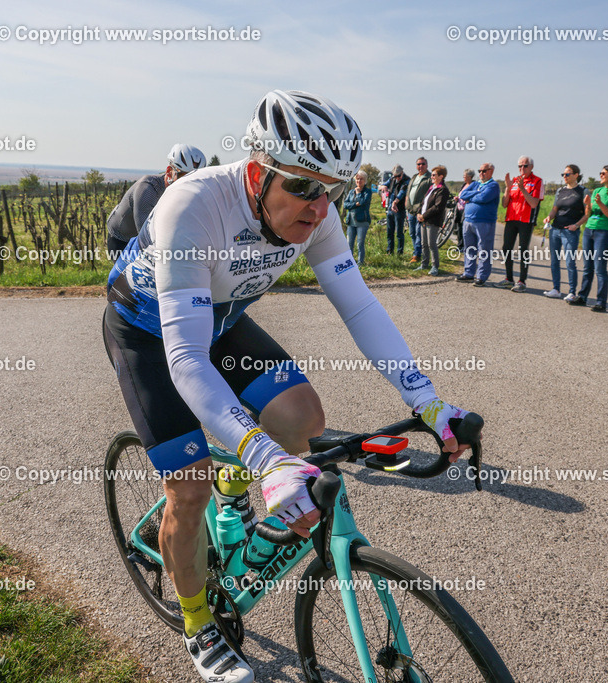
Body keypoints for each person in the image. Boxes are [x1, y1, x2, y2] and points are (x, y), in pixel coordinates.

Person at [102, 89, 479, 683]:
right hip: (152, 335)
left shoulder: (319, 216)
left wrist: (427, 400)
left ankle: (240, 479)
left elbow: (360, 308)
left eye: (334, 189)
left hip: (224, 321)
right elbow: (185, 356)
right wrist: (263, 457)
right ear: (257, 171)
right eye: (303, 186)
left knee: (303, 421)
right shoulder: (193, 205)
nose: (318, 205)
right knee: (191, 488)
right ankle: (199, 623)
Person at [106, 143, 207, 255]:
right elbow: (146, 236)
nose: (187, 185)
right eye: (183, 178)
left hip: (142, 238)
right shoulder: (148, 189)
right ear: (169, 172)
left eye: (194, 180)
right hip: (121, 239)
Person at [569, 165, 608, 312]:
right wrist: (587, 205)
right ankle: (582, 297)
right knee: (587, 266)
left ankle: (601, 302)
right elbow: (589, 213)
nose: (600, 175)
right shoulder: (597, 191)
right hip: (589, 230)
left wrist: (599, 203)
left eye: (603, 173)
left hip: (604, 232)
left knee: (600, 268)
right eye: (600, 172)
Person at [497, 156, 543, 293]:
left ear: (531, 167)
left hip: (526, 220)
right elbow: (504, 204)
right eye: (519, 166)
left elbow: (534, 203)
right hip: (511, 218)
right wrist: (507, 188)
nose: (522, 168)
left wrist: (523, 189)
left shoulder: (537, 181)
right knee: (506, 248)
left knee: (523, 249)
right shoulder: (515, 180)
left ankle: (522, 281)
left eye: (525, 166)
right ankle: (509, 279)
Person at [542, 165, 588, 300]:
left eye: (567, 174)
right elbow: (555, 209)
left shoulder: (583, 191)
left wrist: (576, 225)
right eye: (563, 174)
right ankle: (556, 289)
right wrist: (549, 217)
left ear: (576, 175)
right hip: (555, 229)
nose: (564, 177)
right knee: (554, 261)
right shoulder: (560, 191)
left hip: (571, 231)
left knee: (569, 262)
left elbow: (587, 213)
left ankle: (572, 292)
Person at [456, 163, 500, 286]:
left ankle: (481, 276)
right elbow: (463, 195)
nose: (481, 173)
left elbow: (483, 198)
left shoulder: (493, 185)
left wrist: (472, 196)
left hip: (484, 221)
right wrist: (475, 193)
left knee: (484, 249)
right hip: (468, 220)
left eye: (484, 171)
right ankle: (468, 273)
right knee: (469, 249)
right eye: (479, 171)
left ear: (491, 171)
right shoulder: (476, 184)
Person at [416, 165, 451, 275]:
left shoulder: (443, 190)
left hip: (432, 220)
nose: (431, 176)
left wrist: (424, 216)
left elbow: (438, 207)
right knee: (424, 243)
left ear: (441, 176)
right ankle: (424, 264)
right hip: (424, 219)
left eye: (433, 175)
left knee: (432, 244)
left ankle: (435, 266)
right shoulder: (431, 188)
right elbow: (423, 202)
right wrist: (418, 213)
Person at [343, 170, 373, 265]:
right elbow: (345, 205)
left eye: (361, 179)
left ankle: (360, 262)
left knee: (360, 243)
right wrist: (355, 204)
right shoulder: (351, 192)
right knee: (349, 243)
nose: (359, 181)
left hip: (362, 221)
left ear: (365, 181)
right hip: (351, 221)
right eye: (357, 179)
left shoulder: (367, 192)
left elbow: (363, 202)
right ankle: (350, 262)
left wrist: (359, 193)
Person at [405, 157, 430, 264]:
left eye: (423, 164)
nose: (420, 166)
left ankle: (417, 255)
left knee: (418, 233)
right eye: (418, 164)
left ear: (426, 165)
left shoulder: (429, 178)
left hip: (420, 210)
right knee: (412, 233)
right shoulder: (414, 177)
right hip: (410, 209)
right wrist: (406, 202)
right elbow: (409, 190)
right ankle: (417, 252)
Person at [385, 165, 410, 254]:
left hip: (399, 209)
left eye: (399, 176)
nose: (397, 178)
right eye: (395, 176)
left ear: (402, 173)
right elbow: (383, 185)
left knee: (399, 232)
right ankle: (389, 250)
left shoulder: (407, 180)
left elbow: (402, 193)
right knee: (389, 231)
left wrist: (395, 202)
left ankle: (400, 252)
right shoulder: (392, 179)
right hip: (390, 210)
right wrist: (383, 187)